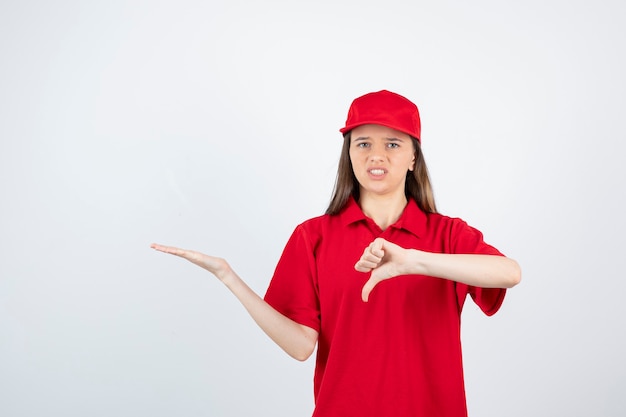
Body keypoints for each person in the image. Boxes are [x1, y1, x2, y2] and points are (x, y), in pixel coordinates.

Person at [151, 90, 521, 417]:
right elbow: (299, 346)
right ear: (349, 154)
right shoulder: (314, 236)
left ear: (413, 158)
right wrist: (228, 277)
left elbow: (509, 272)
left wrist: (414, 260)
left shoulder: (447, 234)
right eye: (363, 144)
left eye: (392, 144)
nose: (377, 155)